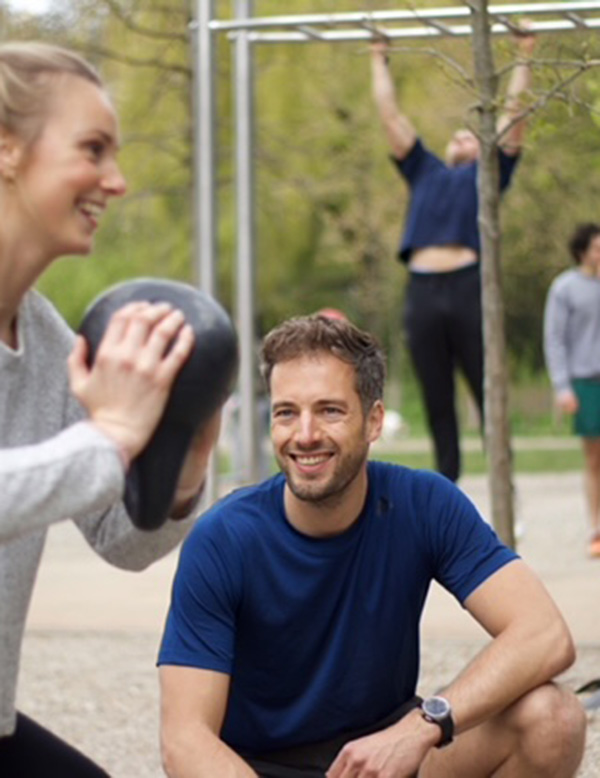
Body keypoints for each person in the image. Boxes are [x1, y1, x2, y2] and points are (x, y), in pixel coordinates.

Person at [158, 313, 586, 778]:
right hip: (259, 770)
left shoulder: (423, 503)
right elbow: (185, 739)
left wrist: (422, 726)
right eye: (286, 412)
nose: (304, 435)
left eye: (330, 410)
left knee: (553, 718)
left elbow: (544, 635)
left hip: (387, 759)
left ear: (374, 420)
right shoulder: (223, 537)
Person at [0, 41, 223, 775]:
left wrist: (180, 455)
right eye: (93, 149)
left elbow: (121, 538)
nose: (117, 181)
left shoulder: (44, 337)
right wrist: (112, 434)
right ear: (6, 148)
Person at [370, 28, 536, 482]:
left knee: (488, 391)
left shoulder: (488, 174)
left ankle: (505, 487)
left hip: (468, 286)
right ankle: (448, 490)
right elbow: (391, 117)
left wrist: (524, 55)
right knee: (437, 398)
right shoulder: (425, 170)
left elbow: (514, 116)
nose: (462, 138)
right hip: (423, 290)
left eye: (470, 135)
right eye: (457, 135)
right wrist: (378, 59)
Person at [544, 223, 600, 559]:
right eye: (596, 247)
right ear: (583, 251)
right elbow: (555, 339)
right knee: (594, 459)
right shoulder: (565, 288)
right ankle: (596, 528)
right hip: (585, 380)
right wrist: (562, 386)